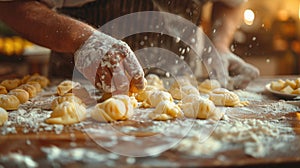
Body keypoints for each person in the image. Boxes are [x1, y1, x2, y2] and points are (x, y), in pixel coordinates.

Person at [0, 0, 259, 93]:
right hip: (79, 92)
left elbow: (231, 3)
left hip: (183, 90)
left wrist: (221, 46)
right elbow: (11, 5)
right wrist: (83, 40)